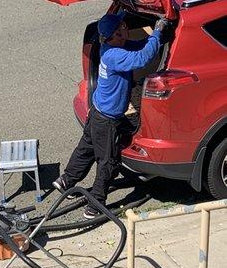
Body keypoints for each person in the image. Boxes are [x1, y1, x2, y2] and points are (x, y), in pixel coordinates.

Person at [53, 11, 171, 219]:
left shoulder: (113, 46)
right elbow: (143, 57)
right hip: (107, 119)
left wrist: (158, 38)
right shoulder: (114, 55)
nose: (125, 28)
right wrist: (157, 32)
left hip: (98, 112)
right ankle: (96, 204)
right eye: (122, 28)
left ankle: (66, 181)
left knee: (87, 148)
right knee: (108, 162)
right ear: (114, 35)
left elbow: (139, 46)